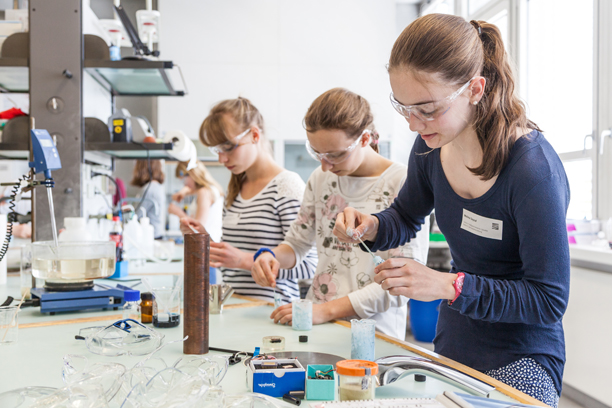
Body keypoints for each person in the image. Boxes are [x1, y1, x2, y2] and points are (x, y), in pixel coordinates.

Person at [333, 14, 569, 408]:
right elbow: (406, 217)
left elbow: (547, 300)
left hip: (524, 357)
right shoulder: (430, 145)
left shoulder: (532, 170)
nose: (413, 124)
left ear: (475, 89)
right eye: (403, 107)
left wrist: (448, 285)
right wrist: (371, 225)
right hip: (455, 345)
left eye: (427, 108)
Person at [252, 88, 429, 339]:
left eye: (335, 155)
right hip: (318, 324)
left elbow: (400, 283)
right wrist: (271, 257)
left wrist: (325, 311)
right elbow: (296, 244)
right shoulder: (321, 177)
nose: (325, 165)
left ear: (365, 139)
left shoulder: (402, 182)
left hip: (374, 334)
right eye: (317, 154)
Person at [180, 97, 317, 302]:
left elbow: (310, 266)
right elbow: (234, 259)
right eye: (216, 150)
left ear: (254, 135)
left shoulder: (286, 186)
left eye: (228, 147)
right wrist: (204, 240)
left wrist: (245, 261)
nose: (222, 159)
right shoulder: (235, 187)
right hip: (234, 308)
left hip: (273, 313)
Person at [169, 161, 224, 243]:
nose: (184, 185)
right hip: (211, 242)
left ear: (192, 175)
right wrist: (183, 192)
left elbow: (197, 228)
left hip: (207, 245)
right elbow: (190, 190)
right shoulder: (211, 189)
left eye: (183, 180)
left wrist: (178, 213)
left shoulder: (204, 192)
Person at [130, 159, 166, 239]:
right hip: (156, 235)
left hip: (151, 237)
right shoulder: (157, 186)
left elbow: (135, 215)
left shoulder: (149, 189)